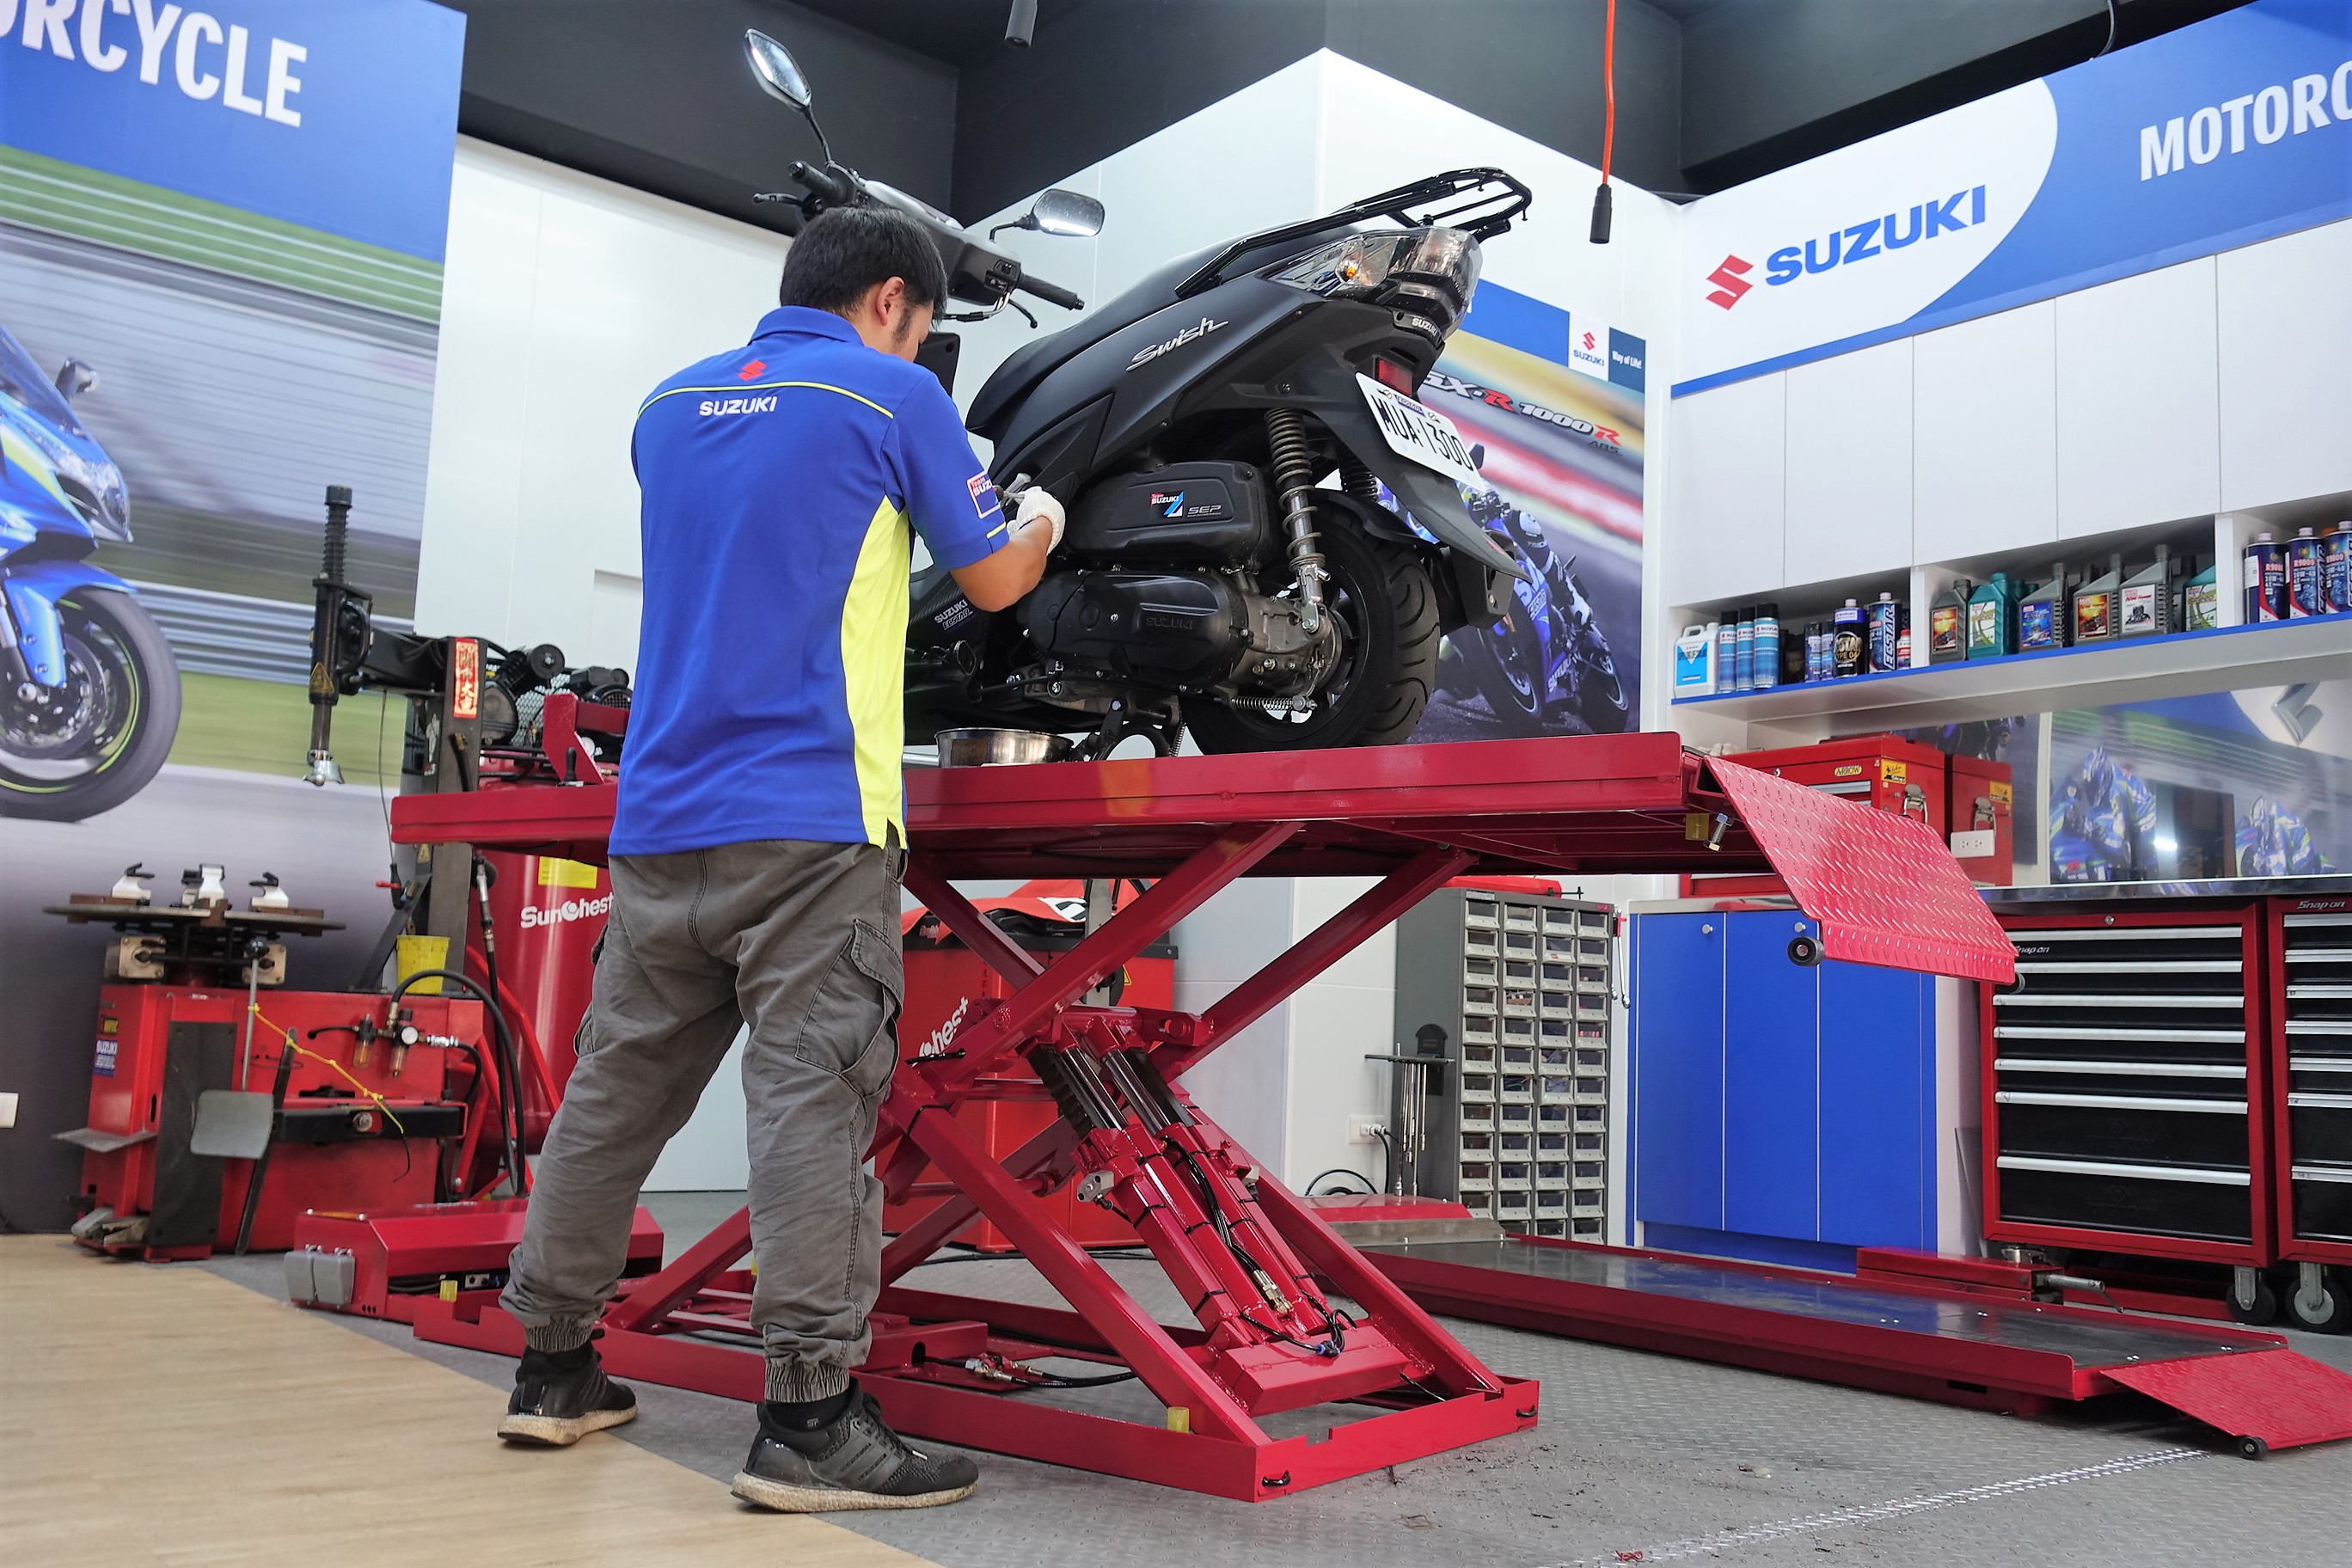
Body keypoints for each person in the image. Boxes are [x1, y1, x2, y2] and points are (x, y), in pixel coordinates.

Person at [489, 206, 1055, 1513]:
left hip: (661, 822)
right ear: (894, 300)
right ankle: (809, 1423)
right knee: (812, 1106)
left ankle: (553, 1370)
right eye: (924, 323)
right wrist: (1039, 517)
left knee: (611, 1098)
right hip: (812, 817)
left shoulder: (667, 406)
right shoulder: (895, 396)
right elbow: (993, 583)